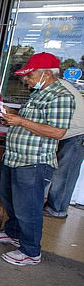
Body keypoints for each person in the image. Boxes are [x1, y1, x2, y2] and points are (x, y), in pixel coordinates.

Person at [0, 53, 74, 266]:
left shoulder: (61, 96)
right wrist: (12, 118)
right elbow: (31, 121)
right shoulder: (38, 93)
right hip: (16, 157)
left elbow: (57, 132)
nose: (26, 79)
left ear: (46, 73)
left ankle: (31, 251)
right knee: (10, 199)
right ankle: (14, 233)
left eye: (30, 75)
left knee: (29, 208)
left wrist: (20, 121)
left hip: (34, 161)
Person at [44, 78, 84, 218]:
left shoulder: (58, 88)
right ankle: (54, 206)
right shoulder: (55, 86)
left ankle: (57, 209)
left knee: (65, 173)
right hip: (69, 132)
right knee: (61, 171)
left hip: (77, 133)